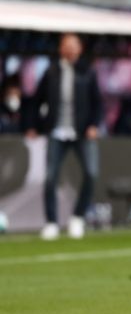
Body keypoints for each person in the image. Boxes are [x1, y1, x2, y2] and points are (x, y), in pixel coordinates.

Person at [25, 33, 102, 240]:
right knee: (50, 177)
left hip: (82, 131)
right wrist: (32, 125)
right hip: (57, 131)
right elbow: (36, 100)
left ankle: (78, 217)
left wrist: (94, 125)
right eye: (65, 46)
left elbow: (98, 103)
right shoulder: (51, 71)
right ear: (60, 49)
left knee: (91, 173)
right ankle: (51, 222)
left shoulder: (88, 72)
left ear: (79, 49)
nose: (69, 50)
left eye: (73, 46)